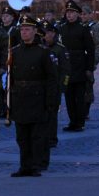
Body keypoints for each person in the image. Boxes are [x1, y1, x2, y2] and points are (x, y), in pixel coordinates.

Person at [8, 15, 58, 177]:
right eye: (22, 30)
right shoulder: (14, 51)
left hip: (37, 97)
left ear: (35, 31)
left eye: (27, 29)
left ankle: (36, 165)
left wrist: (51, 101)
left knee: (37, 135)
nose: (24, 32)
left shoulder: (43, 52)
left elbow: (51, 78)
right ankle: (24, 165)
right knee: (22, 136)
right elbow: (10, 78)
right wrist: (7, 98)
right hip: (20, 97)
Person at [59, 0, 95, 132]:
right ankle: (72, 121)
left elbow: (91, 50)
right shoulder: (62, 28)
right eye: (68, 12)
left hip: (80, 66)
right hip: (67, 67)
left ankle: (80, 122)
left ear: (77, 14)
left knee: (79, 96)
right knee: (68, 96)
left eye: (72, 12)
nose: (69, 15)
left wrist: (89, 68)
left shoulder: (83, 29)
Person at [40, 20, 70, 153]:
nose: (45, 35)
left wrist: (63, 86)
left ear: (53, 33)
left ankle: (52, 139)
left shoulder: (60, 49)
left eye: (48, 32)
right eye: (43, 33)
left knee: (52, 115)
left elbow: (66, 70)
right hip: (40, 87)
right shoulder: (39, 48)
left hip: (54, 87)